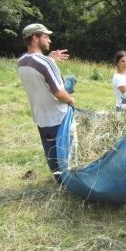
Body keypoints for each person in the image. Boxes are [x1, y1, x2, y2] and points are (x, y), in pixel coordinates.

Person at [17, 23, 75, 183]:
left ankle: (59, 183)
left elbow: (38, 71)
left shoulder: (22, 62)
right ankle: (72, 184)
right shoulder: (44, 62)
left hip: (41, 118)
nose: (49, 40)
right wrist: (71, 100)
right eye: (46, 36)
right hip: (59, 117)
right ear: (35, 37)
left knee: (52, 156)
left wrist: (51, 59)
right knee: (67, 154)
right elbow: (59, 93)